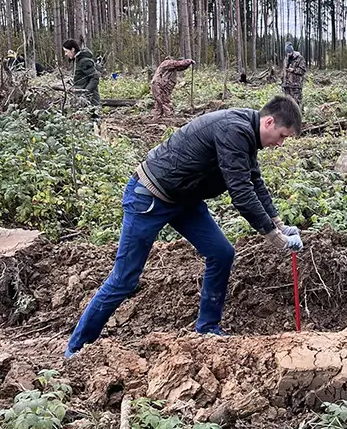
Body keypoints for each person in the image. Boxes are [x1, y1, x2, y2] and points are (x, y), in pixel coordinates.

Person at [64, 95, 304, 358]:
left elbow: (254, 180)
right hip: (150, 197)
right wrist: (272, 236)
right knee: (125, 279)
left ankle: (208, 327)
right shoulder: (235, 129)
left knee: (222, 253)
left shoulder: (248, 130)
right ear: (269, 122)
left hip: (184, 199)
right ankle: (76, 349)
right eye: (282, 136)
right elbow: (241, 191)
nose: (280, 143)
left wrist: (279, 223)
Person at [63, 39, 101, 106]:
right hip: (81, 99)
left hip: (90, 100)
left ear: (73, 49)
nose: (65, 54)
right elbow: (81, 78)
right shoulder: (76, 61)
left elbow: (95, 78)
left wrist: (85, 94)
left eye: (66, 51)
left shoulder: (84, 61)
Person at [281, 42, 306, 109]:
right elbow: (283, 71)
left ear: (292, 51)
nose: (289, 54)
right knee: (287, 103)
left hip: (296, 86)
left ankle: (299, 116)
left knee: (297, 103)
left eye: (290, 52)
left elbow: (303, 71)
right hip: (286, 86)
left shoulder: (300, 58)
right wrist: (282, 82)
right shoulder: (285, 59)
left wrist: (293, 70)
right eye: (287, 53)